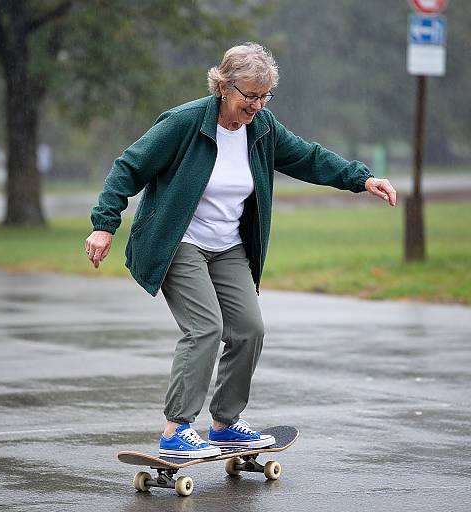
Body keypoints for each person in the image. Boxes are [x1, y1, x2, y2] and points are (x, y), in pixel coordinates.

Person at [86, 42, 396, 459]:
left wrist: (362, 178)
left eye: (264, 95)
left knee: (250, 329)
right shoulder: (185, 122)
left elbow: (309, 157)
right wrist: (104, 225)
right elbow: (129, 166)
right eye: (249, 95)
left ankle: (225, 424)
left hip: (229, 246)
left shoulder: (263, 128)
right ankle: (176, 428)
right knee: (205, 328)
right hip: (180, 242)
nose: (256, 104)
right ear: (224, 86)